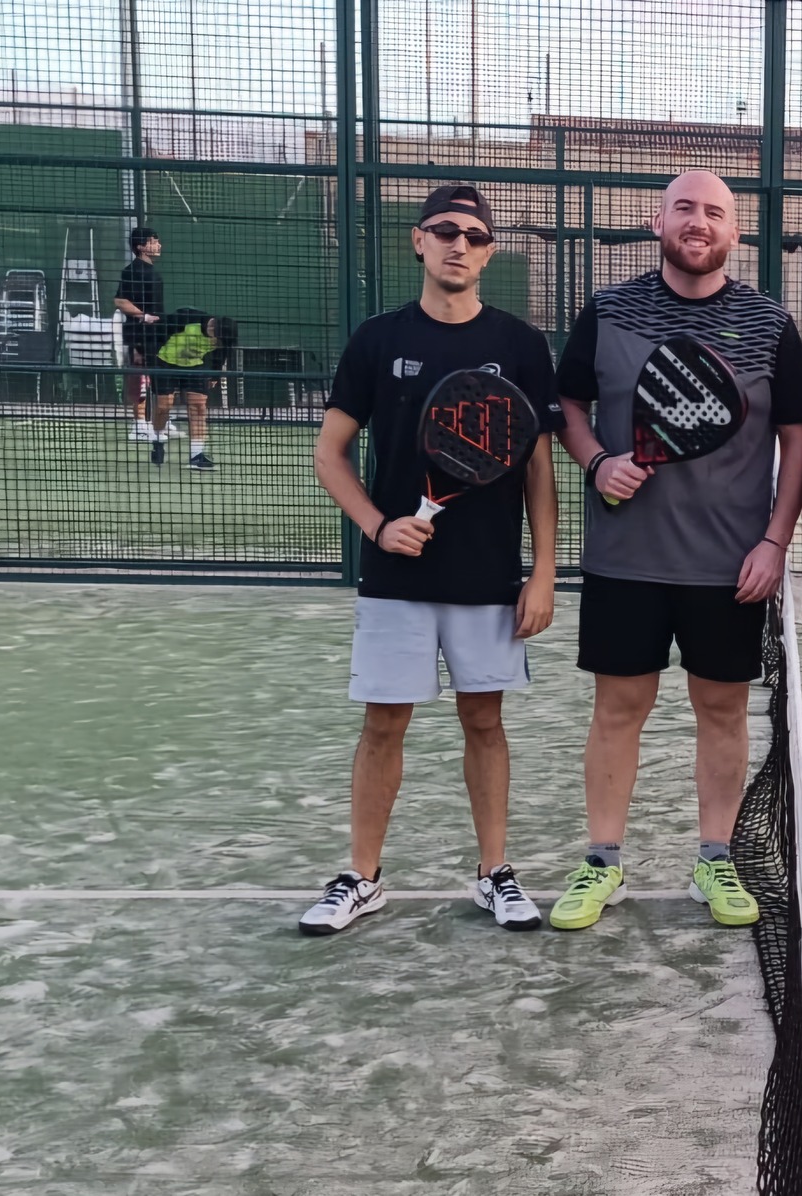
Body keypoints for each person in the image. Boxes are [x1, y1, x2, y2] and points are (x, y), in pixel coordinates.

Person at [549, 169, 802, 932]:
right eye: (685, 209)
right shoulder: (607, 311)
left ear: (735, 232)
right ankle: (602, 860)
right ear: (657, 221)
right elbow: (568, 405)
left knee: (722, 710)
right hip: (624, 560)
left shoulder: (770, 324)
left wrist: (776, 541)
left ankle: (715, 858)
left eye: (715, 213)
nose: (699, 222)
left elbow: (797, 440)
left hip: (730, 566)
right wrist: (597, 461)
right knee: (617, 709)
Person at [300, 184, 566, 936]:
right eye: (445, 230)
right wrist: (378, 526)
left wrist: (544, 572)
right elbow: (329, 453)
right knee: (384, 724)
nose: (460, 244)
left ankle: (495, 873)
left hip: (488, 576)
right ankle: (362, 877)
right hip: (397, 579)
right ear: (418, 240)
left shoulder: (521, 344)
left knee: (484, 720)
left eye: (476, 235)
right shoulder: (376, 340)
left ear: (490, 252)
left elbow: (537, 468)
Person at [147, 311, 236, 471]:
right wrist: (147, 356)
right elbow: (156, 333)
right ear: (212, 328)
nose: (217, 344)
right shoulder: (186, 318)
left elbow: (223, 353)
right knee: (163, 406)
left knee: (199, 407)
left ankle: (196, 456)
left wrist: (215, 374)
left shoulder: (223, 339)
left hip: (194, 366)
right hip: (164, 363)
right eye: (217, 340)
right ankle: (158, 441)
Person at [114, 227, 175, 443]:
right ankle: (139, 425)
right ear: (141, 246)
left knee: (160, 378)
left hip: (157, 334)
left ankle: (161, 421)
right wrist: (143, 316)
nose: (159, 245)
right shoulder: (132, 271)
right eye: (153, 241)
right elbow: (120, 301)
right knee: (140, 378)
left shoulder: (152, 271)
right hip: (139, 334)